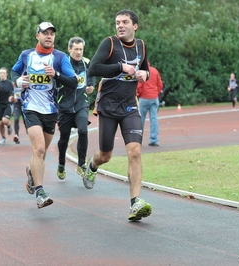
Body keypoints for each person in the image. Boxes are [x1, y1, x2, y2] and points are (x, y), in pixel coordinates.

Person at [86, 10, 152, 221]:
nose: (120, 26)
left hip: (130, 106)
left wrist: (145, 74)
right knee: (105, 154)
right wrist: (120, 67)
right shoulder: (110, 43)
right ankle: (92, 165)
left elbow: (144, 68)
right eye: (117, 22)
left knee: (134, 152)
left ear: (135, 26)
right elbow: (94, 68)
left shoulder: (141, 45)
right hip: (108, 105)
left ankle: (135, 203)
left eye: (125, 22)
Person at [11, 22, 77, 209]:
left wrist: (56, 75)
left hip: (51, 110)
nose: (49, 36)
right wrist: (17, 80)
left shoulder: (60, 58)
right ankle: (40, 193)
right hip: (31, 107)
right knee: (39, 149)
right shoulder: (26, 55)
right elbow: (14, 71)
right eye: (45, 33)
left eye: (52, 34)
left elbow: (73, 82)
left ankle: (32, 172)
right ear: (37, 35)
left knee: (42, 152)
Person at [56, 37, 96, 179]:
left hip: (81, 104)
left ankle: (81, 164)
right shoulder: (62, 63)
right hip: (65, 106)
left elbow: (91, 79)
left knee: (83, 131)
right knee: (64, 138)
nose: (79, 52)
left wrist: (91, 87)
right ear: (69, 49)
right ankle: (61, 164)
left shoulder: (86, 63)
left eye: (81, 49)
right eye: (76, 49)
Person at [137, 61, 163, 147]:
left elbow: (139, 86)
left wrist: (138, 95)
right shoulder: (155, 71)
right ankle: (154, 139)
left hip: (144, 98)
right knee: (154, 119)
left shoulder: (141, 72)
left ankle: (138, 140)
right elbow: (160, 84)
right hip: (154, 97)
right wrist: (156, 93)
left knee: (140, 120)